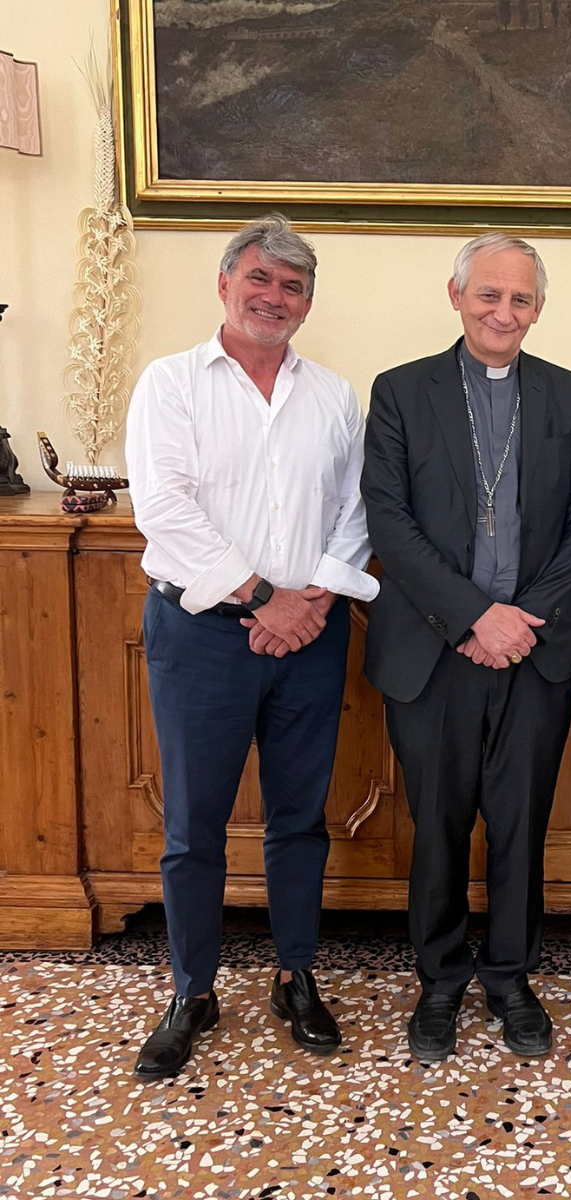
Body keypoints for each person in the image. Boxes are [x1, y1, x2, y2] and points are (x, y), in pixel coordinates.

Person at [125, 214, 378, 1079]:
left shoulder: (334, 396)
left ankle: (294, 974)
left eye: (294, 286)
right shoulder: (170, 384)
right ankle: (192, 989)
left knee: (298, 819)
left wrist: (310, 604)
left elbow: (357, 510)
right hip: (202, 635)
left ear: (309, 302)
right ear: (226, 284)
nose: (276, 297)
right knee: (194, 825)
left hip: (311, 633)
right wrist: (266, 597)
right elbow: (164, 510)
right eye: (261, 280)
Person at [362, 232, 571, 1061]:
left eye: (522, 299)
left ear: (539, 309)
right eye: (490, 295)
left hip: (532, 651)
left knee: (519, 823)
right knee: (437, 823)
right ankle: (438, 981)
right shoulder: (399, 391)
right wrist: (473, 618)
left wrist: (518, 620)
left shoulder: (567, 396)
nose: (505, 311)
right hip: (434, 652)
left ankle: (509, 976)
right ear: (457, 295)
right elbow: (387, 520)